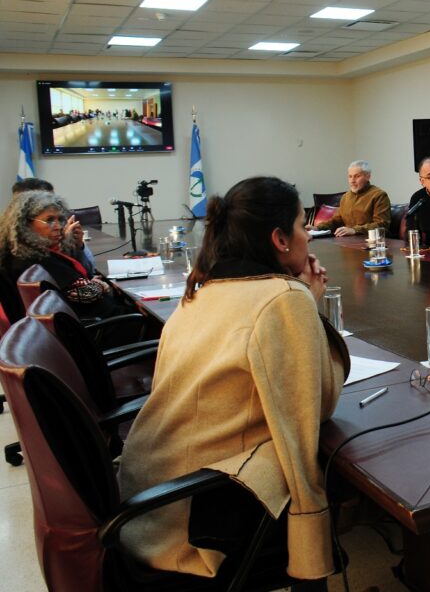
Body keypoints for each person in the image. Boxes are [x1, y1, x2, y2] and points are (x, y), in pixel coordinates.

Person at [117, 176, 349, 584]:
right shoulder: (283, 298)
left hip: (147, 503)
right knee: (344, 471)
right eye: (302, 225)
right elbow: (317, 406)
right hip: (198, 525)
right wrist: (309, 306)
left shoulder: (201, 291)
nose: (308, 235)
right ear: (279, 239)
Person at [0, 191, 124, 322]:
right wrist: (101, 286)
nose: (58, 227)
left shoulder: (25, 251)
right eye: (49, 220)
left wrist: (74, 245)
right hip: (101, 325)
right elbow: (86, 292)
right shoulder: (35, 259)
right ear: (25, 224)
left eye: (60, 219)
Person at [10, 178, 96, 275]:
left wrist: (77, 246)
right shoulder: (20, 254)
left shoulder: (60, 229)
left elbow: (90, 271)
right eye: (49, 220)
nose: (58, 226)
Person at [313, 160, 391, 237]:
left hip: (369, 240)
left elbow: (382, 225)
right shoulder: (345, 197)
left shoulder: (379, 195)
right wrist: (317, 228)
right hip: (347, 240)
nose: (352, 181)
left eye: (357, 176)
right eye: (350, 176)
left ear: (368, 177)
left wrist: (354, 230)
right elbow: (336, 220)